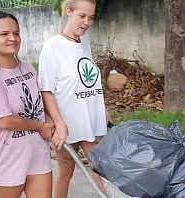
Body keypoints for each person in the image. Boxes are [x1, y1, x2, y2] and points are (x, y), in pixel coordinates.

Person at [0, 11, 54, 198]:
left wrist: (50, 121)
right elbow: (5, 121)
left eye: (16, 33)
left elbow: (40, 102)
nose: (13, 38)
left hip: (36, 154)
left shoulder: (26, 67)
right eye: (4, 34)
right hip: (4, 160)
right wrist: (41, 127)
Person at [38, 0, 111, 197]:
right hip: (68, 123)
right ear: (69, 12)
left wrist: (102, 109)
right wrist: (59, 123)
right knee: (66, 170)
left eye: (91, 17)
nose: (87, 22)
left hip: (91, 120)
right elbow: (46, 90)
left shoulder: (84, 44)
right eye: (82, 16)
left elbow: (89, 80)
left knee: (100, 168)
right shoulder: (52, 47)